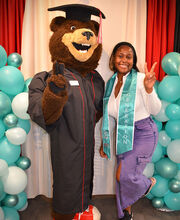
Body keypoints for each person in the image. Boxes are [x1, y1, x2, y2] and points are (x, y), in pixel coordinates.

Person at [99, 42, 162, 220]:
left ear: (133, 60)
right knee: (121, 180)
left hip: (143, 133)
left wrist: (149, 89)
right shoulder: (111, 84)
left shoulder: (142, 79)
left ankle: (147, 184)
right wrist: (106, 142)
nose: (124, 60)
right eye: (120, 55)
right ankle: (125, 214)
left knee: (124, 175)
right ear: (113, 59)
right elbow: (111, 115)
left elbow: (155, 110)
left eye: (128, 56)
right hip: (122, 134)